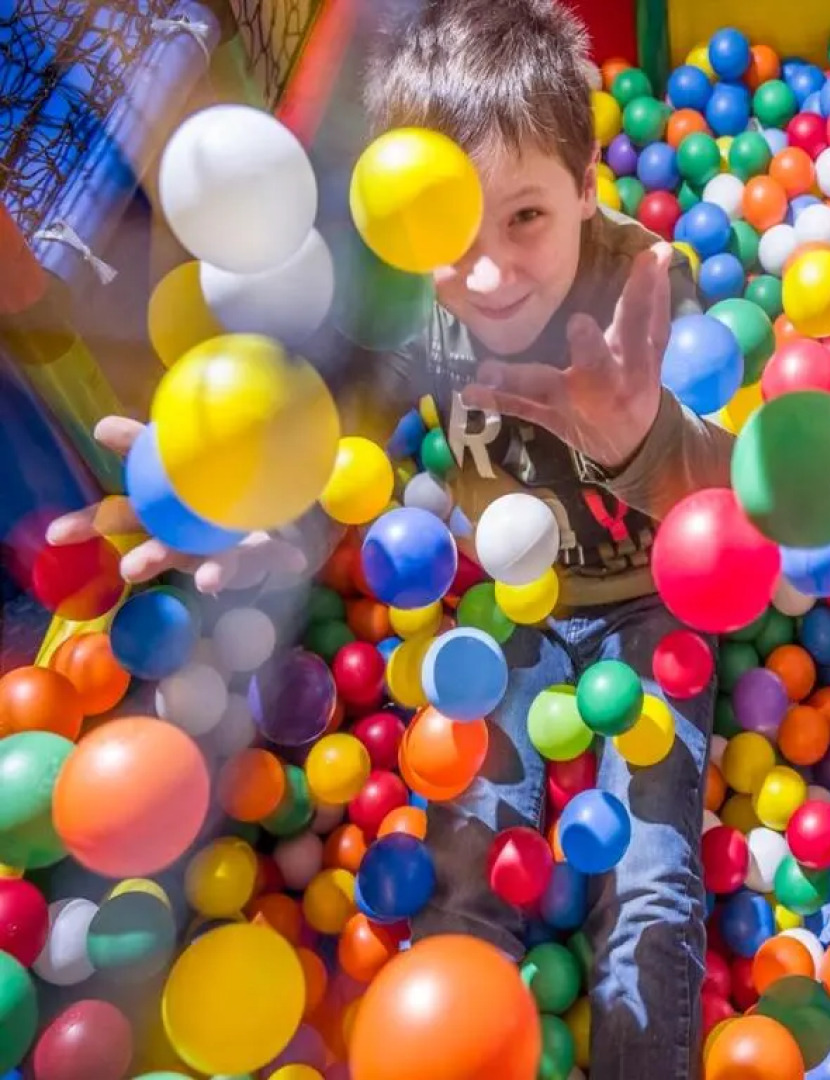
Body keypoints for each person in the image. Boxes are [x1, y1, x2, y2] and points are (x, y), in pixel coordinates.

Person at [49, 0, 731, 1075]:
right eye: (450, 231)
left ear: (587, 183)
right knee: (465, 848)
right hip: (503, 613)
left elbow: (730, 510)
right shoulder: (417, 316)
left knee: (649, 871)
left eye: (526, 218)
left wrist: (642, 433)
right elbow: (334, 458)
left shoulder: (646, 289)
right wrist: (268, 518)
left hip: (653, 609)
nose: (491, 271)